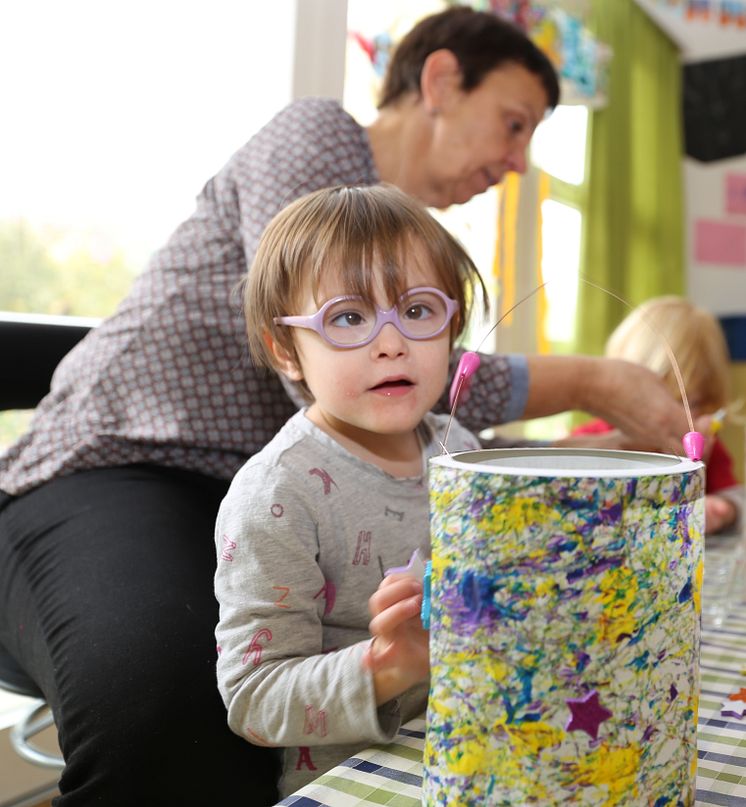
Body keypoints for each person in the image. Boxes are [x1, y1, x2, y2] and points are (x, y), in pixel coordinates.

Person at [0, 7, 697, 805]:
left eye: (420, 311)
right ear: (438, 80)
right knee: (169, 728)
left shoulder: (414, 423)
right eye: (513, 124)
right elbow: (379, 369)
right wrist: (591, 378)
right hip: (111, 469)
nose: (517, 159)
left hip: (244, 503)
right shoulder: (320, 141)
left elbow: (447, 431)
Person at [215, 183, 482, 796]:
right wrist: (388, 667)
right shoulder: (277, 495)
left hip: (470, 749)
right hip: (355, 782)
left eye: (417, 311)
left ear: (452, 325)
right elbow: (254, 699)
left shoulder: (461, 449)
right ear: (287, 349)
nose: (391, 342)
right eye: (348, 318)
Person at [571, 295, 742, 533]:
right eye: (668, 402)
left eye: (696, 403)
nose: (684, 417)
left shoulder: (701, 445)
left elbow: (735, 497)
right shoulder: (590, 442)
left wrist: (725, 508)